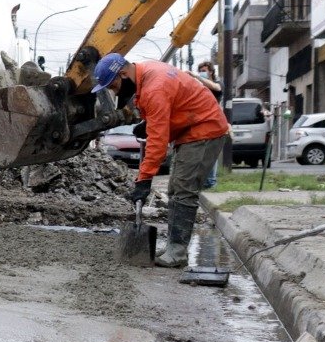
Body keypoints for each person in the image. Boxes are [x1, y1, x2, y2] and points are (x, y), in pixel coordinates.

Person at [92, 52, 230, 268]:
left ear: (124, 74)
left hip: (205, 129)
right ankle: (175, 247)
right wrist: (148, 122)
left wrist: (144, 179)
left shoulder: (154, 87)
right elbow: (168, 109)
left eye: (113, 86)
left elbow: (157, 141)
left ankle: (177, 252)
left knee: (184, 189)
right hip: (191, 128)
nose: (114, 91)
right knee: (176, 190)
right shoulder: (147, 73)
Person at [193, 61, 224, 189]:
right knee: (200, 153)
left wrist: (197, 77)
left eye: (204, 70)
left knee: (211, 152)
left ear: (211, 71)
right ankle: (202, 181)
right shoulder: (199, 86)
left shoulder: (217, 84)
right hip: (201, 122)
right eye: (200, 70)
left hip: (214, 122)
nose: (202, 73)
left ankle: (210, 182)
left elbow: (217, 88)